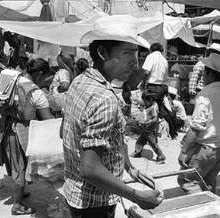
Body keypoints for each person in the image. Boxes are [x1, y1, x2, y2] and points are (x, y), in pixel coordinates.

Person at [62, 38, 163, 217]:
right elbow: (90, 169)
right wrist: (137, 196)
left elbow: (65, 132)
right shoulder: (104, 99)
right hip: (95, 203)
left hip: (74, 193)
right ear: (102, 53)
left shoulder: (80, 81)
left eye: (136, 53)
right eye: (127, 53)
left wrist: (129, 167)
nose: (135, 62)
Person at [0, 69, 54, 215]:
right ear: (40, 74)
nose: (48, 83)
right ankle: (17, 205)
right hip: (22, 133)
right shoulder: (36, 93)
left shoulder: (13, 80)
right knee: (20, 167)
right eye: (48, 79)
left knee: (16, 163)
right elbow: (48, 120)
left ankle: (19, 194)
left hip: (5, 127)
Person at [177, 53, 220, 194]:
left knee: (188, 180)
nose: (203, 77)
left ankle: (202, 212)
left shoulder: (206, 95)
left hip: (204, 149)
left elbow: (196, 128)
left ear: (210, 75)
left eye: (204, 73)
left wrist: (184, 151)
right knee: (208, 182)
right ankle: (211, 210)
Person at [130, 90, 166, 162]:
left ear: (150, 100)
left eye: (145, 101)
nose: (144, 103)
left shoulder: (153, 107)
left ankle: (161, 155)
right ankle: (137, 152)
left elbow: (155, 119)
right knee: (140, 141)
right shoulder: (150, 105)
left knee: (153, 143)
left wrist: (145, 123)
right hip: (146, 129)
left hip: (150, 130)